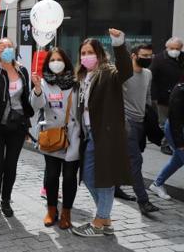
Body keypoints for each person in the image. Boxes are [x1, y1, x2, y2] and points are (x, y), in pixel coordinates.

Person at [71, 29, 133, 237]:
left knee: (104, 177)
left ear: (98, 54)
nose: (85, 56)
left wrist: (119, 44)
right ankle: (105, 218)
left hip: (105, 134)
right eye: (82, 52)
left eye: (90, 52)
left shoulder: (108, 72)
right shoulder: (82, 76)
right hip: (88, 134)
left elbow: (126, 71)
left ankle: (98, 222)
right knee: (89, 177)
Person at [0, 38, 35, 218]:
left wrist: (27, 124)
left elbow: (25, 99)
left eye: (9, 46)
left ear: (14, 49)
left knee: (11, 165)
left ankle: (6, 200)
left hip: (17, 126)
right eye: (2, 46)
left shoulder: (22, 70)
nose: (6, 48)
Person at [30, 47, 81, 229]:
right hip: (51, 135)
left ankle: (66, 212)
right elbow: (36, 106)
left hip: (73, 136)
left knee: (69, 177)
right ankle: (51, 210)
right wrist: (36, 89)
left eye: (59, 59)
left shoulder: (76, 82)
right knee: (51, 175)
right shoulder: (43, 82)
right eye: (52, 60)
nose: (56, 63)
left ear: (66, 61)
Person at [115, 44, 160, 215]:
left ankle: (115, 187)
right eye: (144, 55)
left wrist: (150, 117)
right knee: (135, 160)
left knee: (124, 159)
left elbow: (147, 95)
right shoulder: (124, 74)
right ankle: (143, 201)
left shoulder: (148, 73)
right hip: (127, 123)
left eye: (150, 55)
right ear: (134, 55)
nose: (148, 58)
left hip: (141, 122)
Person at [150, 37, 184, 155]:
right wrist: (154, 96)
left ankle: (176, 143)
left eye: (177, 48)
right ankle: (165, 144)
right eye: (172, 48)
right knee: (164, 123)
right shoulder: (159, 59)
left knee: (178, 121)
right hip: (163, 96)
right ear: (167, 47)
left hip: (180, 96)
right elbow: (152, 78)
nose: (175, 50)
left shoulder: (182, 57)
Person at [150, 82, 184, 199]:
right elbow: (175, 118)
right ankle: (157, 184)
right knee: (180, 157)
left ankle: (157, 184)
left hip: (178, 129)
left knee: (177, 160)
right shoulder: (180, 90)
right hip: (176, 130)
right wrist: (179, 143)